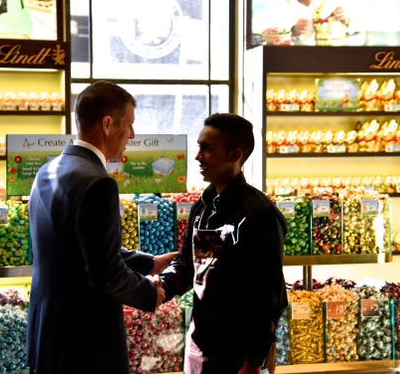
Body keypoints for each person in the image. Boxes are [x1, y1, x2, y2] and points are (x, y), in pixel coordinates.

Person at [27, 81, 177, 373]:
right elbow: (105, 274)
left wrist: (151, 264)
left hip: (46, 331)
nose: (132, 135)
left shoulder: (48, 170)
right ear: (107, 124)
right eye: (130, 125)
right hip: (84, 342)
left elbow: (81, 246)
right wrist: (150, 292)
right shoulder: (98, 182)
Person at [160, 114, 288, 374]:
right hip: (199, 346)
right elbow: (188, 267)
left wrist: (254, 360)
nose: (198, 156)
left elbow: (269, 294)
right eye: (199, 147)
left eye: (207, 149)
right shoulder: (202, 206)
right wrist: (154, 288)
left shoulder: (258, 214)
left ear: (235, 154)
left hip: (237, 356)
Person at [261, 0, 350, 46]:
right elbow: (271, 37)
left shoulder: (330, 0)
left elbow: (355, 28)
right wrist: (294, 31)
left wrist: (346, 21)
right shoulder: (281, 7)